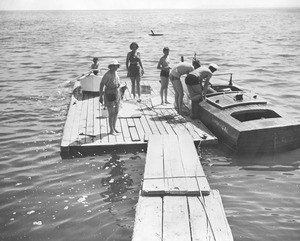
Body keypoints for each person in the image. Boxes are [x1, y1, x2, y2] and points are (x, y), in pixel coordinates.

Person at [99, 59, 121, 135]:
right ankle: (111, 130)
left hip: (117, 92)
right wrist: (101, 96)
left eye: (116, 66)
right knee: (111, 113)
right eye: (114, 66)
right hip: (109, 93)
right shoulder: (107, 75)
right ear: (110, 67)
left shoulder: (116, 72)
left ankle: (114, 127)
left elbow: (117, 82)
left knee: (116, 111)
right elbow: (101, 84)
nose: (115, 68)